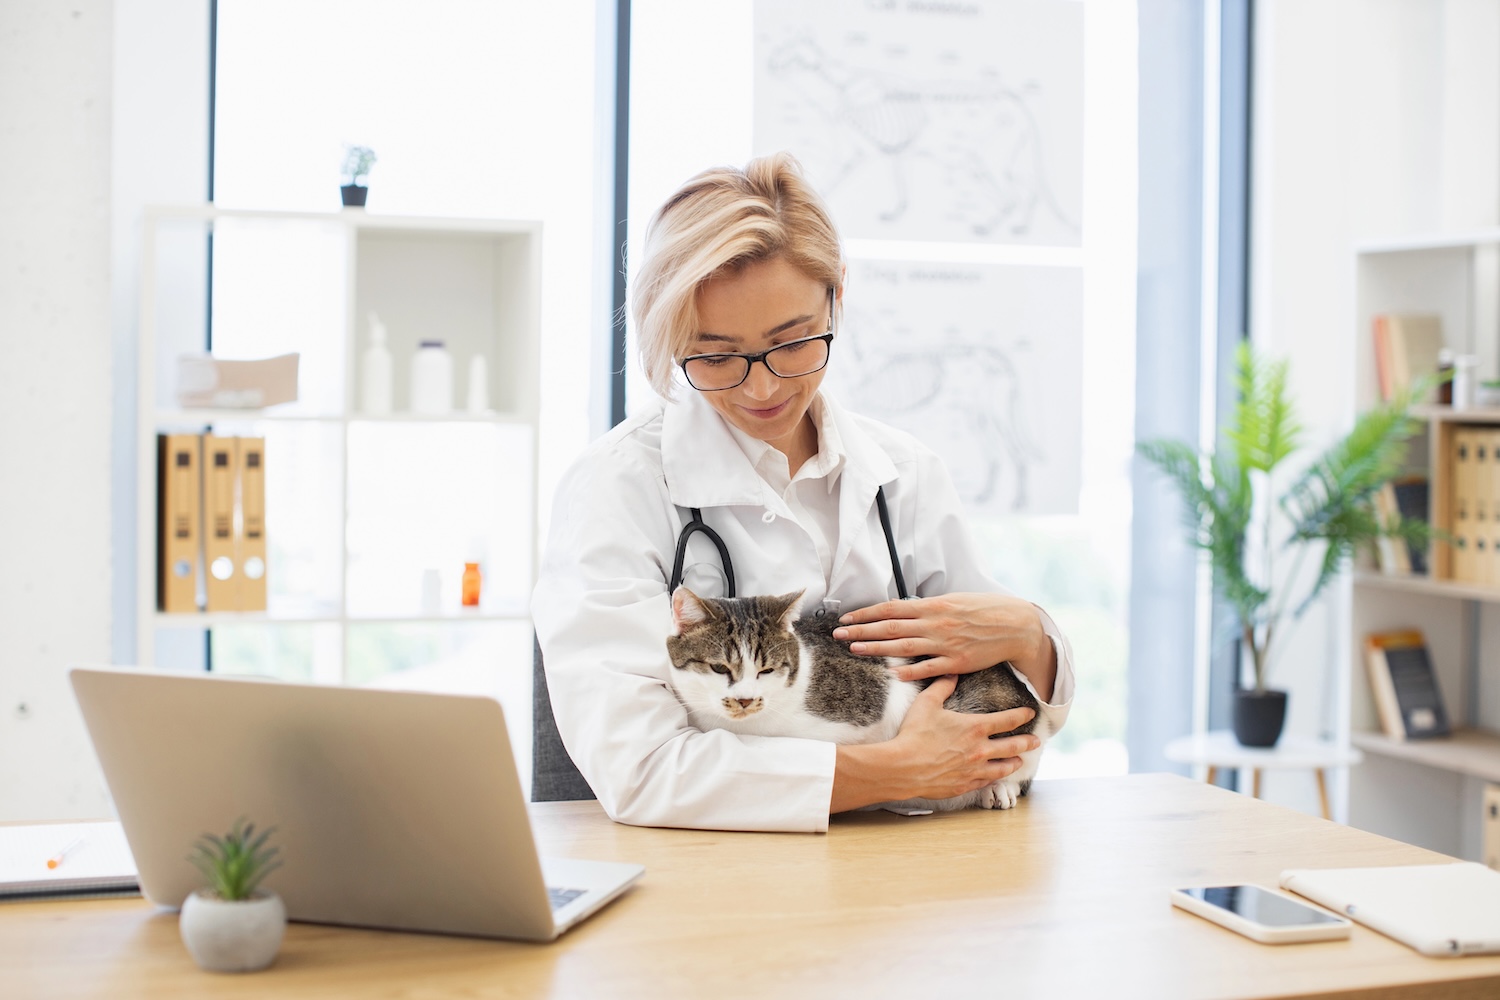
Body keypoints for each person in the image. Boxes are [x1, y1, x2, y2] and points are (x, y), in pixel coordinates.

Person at [531, 153, 1074, 833]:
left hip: (915, 872)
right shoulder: (617, 487)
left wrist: (1030, 634)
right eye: (717, 355)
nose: (762, 389)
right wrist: (899, 768)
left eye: (792, 344)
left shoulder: (904, 473)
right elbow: (640, 769)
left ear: (837, 297)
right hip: (710, 883)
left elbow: (1007, 716)